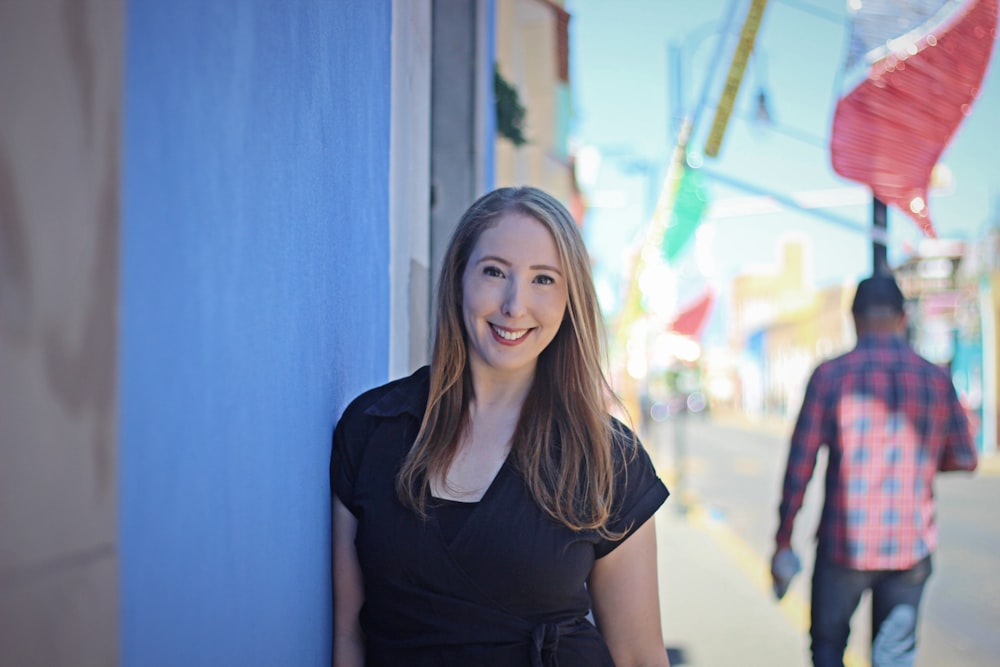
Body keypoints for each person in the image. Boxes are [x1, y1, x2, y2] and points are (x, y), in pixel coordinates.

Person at [331, 186, 671, 667]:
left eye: (544, 280)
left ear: (570, 299)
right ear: (459, 279)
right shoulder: (371, 430)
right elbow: (349, 637)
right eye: (494, 272)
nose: (515, 305)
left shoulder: (609, 458)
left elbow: (638, 655)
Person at [772, 273, 978, 667]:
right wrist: (922, 458)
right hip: (910, 547)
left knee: (829, 650)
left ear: (855, 319)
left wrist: (784, 538)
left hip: (842, 547)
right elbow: (965, 457)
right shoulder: (936, 378)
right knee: (894, 655)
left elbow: (800, 466)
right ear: (902, 318)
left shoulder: (830, 375)